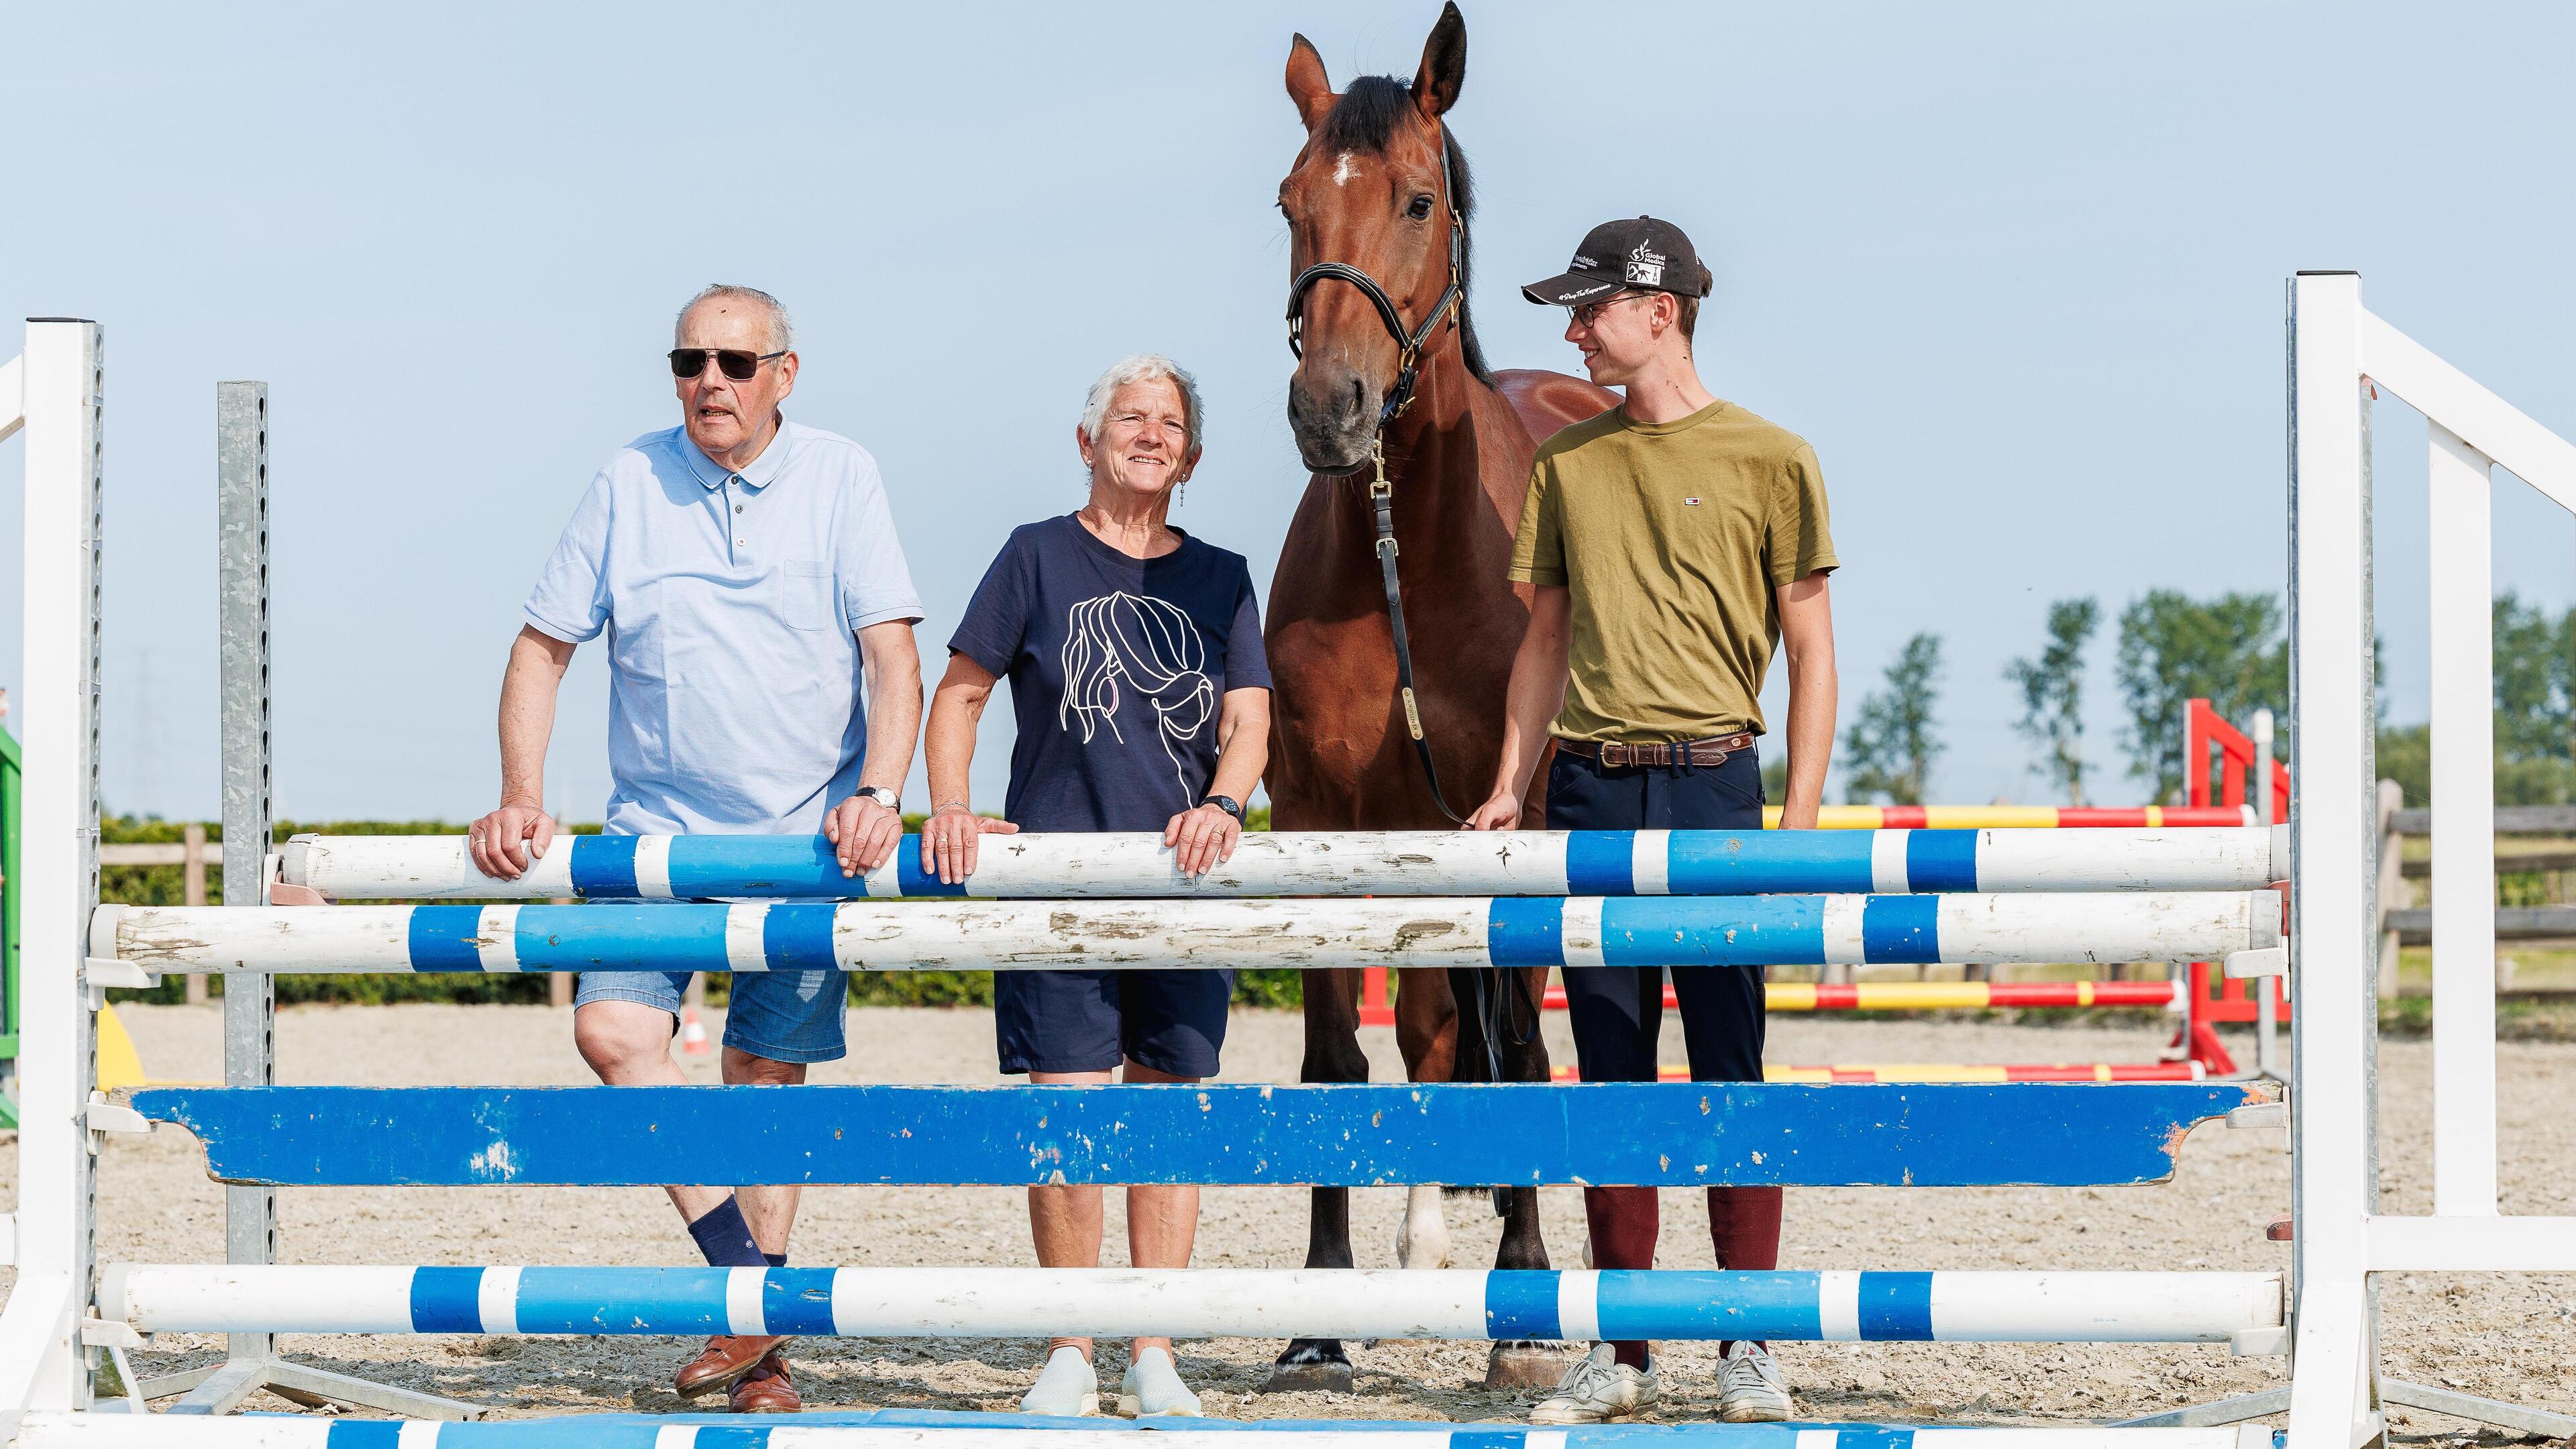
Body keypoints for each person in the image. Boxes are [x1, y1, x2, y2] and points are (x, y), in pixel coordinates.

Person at [467, 284, 925, 1414]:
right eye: (689, 361)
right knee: (614, 1029)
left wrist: (881, 789)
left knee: (764, 1081)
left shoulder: (843, 475)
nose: (709, 382)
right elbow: (539, 650)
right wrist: (522, 792)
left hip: (809, 839)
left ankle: (755, 1357)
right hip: (655, 839)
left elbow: (893, 657)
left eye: (733, 361)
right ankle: (751, 1301)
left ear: (785, 372)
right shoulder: (629, 478)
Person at [1467, 217, 1839, 1426]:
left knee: (1732, 1065)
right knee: (1613, 1071)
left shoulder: (1774, 457)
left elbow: (1811, 651)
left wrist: (1799, 819)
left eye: (1590, 310)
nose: (1572, 332)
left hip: (1721, 786)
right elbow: (1545, 642)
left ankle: (1750, 1343)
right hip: (1591, 790)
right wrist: (1511, 786)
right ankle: (1622, 1352)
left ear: (1660, 308)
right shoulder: (1568, 469)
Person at [924, 355, 1269, 1419]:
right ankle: (1071, 1343)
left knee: (1166, 1117)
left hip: (1181, 882)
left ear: (1194, 457)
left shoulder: (1222, 575)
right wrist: (948, 804)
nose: (1151, 435)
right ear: (1088, 442)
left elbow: (1249, 717)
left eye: (1171, 424)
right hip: (1056, 886)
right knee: (1068, 1116)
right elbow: (961, 696)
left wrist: (1224, 804)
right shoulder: (1034, 557)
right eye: (1131, 418)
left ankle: (1153, 1346)